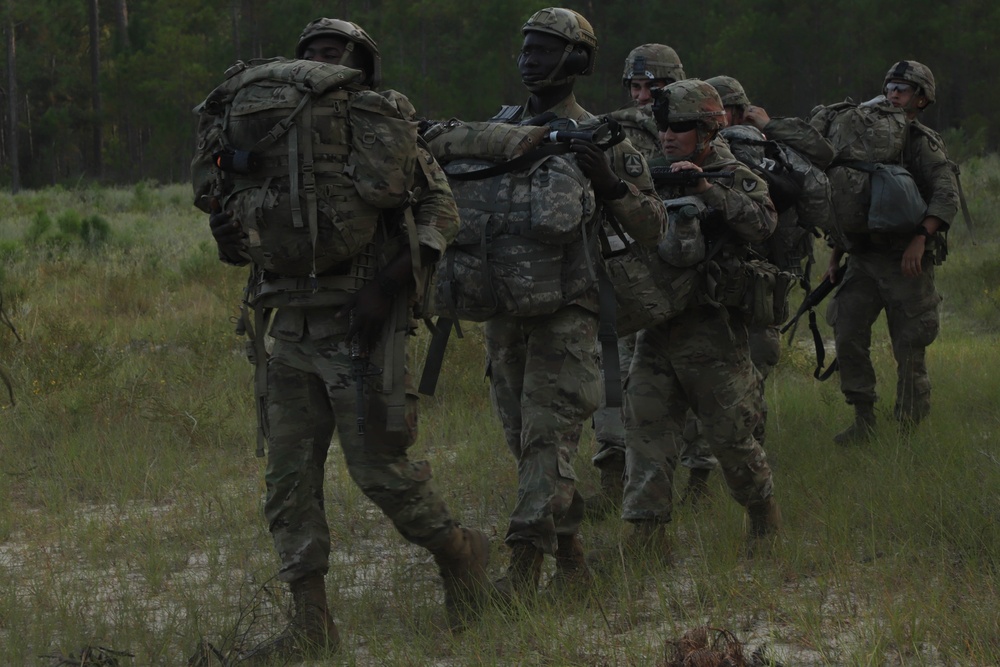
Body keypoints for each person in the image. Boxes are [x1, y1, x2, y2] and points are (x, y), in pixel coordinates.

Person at [196, 18, 491, 659]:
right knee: (287, 483)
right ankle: (311, 624)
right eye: (310, 52)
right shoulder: (269, 139)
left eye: (333, 52)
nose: (319, 60)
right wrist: (228, 240)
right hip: (289, 328)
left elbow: (440, 211)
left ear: (360, 63)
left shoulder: (382, 127)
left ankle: (461, 554)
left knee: (381, 474)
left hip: (362, 329)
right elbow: (236, 218)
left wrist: (387, 286)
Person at [486, 7, 666, 602]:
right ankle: (573, 560)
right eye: (526, 48)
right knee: (526, 442)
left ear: (578, 61)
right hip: (507, 312)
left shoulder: (605, 135)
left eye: (544, 49)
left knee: (549, 437)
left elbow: (652, 226)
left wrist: (610, 184)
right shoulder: (499, 128)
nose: (529, 59)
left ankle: (520, 574)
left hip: (571, 310)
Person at [621, 79, 780, 557]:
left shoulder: (732, 172)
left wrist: (706, 190)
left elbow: (763, 223)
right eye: (664, 126)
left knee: (731, 433)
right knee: (645, 427)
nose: (669, 135)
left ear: (708, 131)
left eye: (681, 128)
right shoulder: (650, 170)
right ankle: (647, 537)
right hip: (657, 324)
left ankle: (763, 519)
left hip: (710, 327)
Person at [671, 76, 836, 502]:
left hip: (718, 284)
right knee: (748, 378)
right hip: (766, 285)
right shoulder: (772, 151)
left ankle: (705, 480)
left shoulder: (720, 157)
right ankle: (748, 460)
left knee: (714, 383)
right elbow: (817, 199)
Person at [814, 61, 958, 443]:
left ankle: (909, 430)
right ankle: (863, 419)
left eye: (904, 89)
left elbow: (946, 194)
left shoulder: (920, 142)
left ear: (922, 99)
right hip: (862, 257)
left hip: (907, 259)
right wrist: (837, 252)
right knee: (846, 333)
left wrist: (921, 238)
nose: (894, 94)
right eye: (891, 86)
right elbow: (853, 199)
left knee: (909, 345)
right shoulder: (862, 136)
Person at [586, 43, 686, 519]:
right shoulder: (610, 129)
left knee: (677, 379)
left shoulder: (693, 126)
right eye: (635, 85)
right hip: (617, 267)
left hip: (675, 271)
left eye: (653, 86)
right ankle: (611, 475)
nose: (642, 95)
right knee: (610, 375)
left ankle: (697, 472)